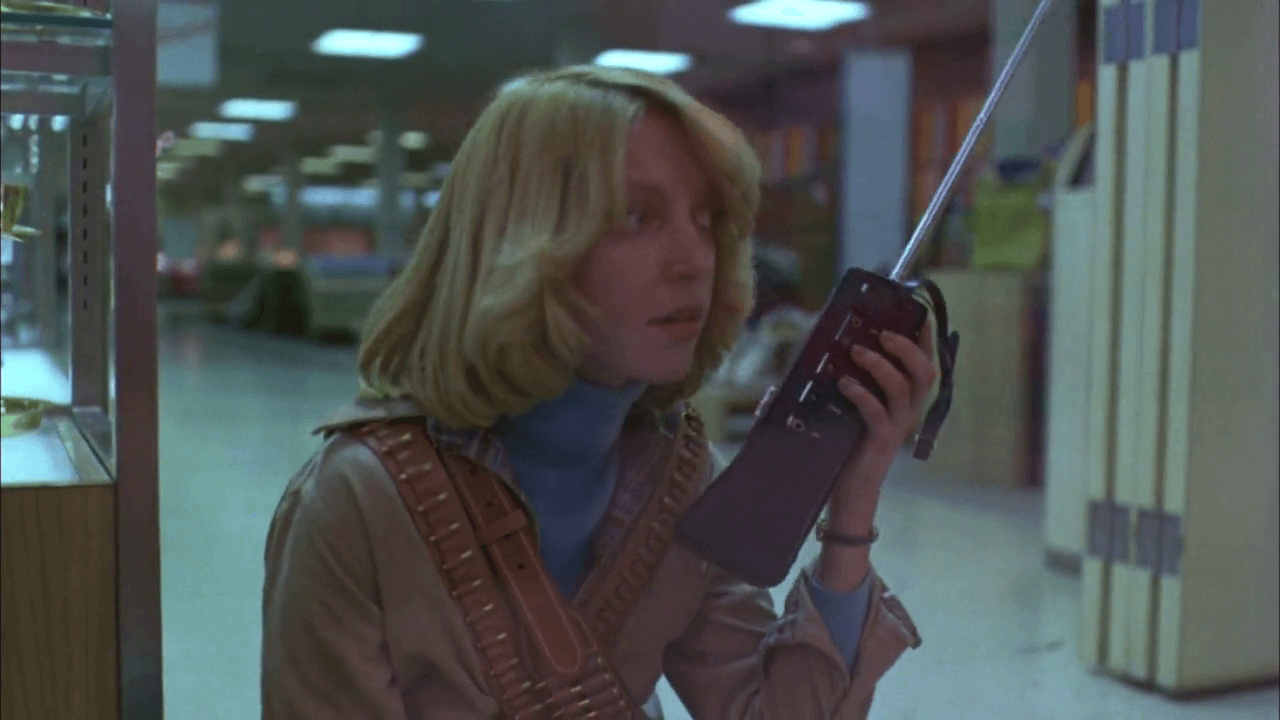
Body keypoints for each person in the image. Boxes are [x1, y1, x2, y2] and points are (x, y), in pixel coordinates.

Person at [262, 65, 936, 719]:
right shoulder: (359, 502)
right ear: (519, 240)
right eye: (637, 217)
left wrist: (851, 503)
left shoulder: (676, 477)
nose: (693, 260)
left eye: (705, 220)